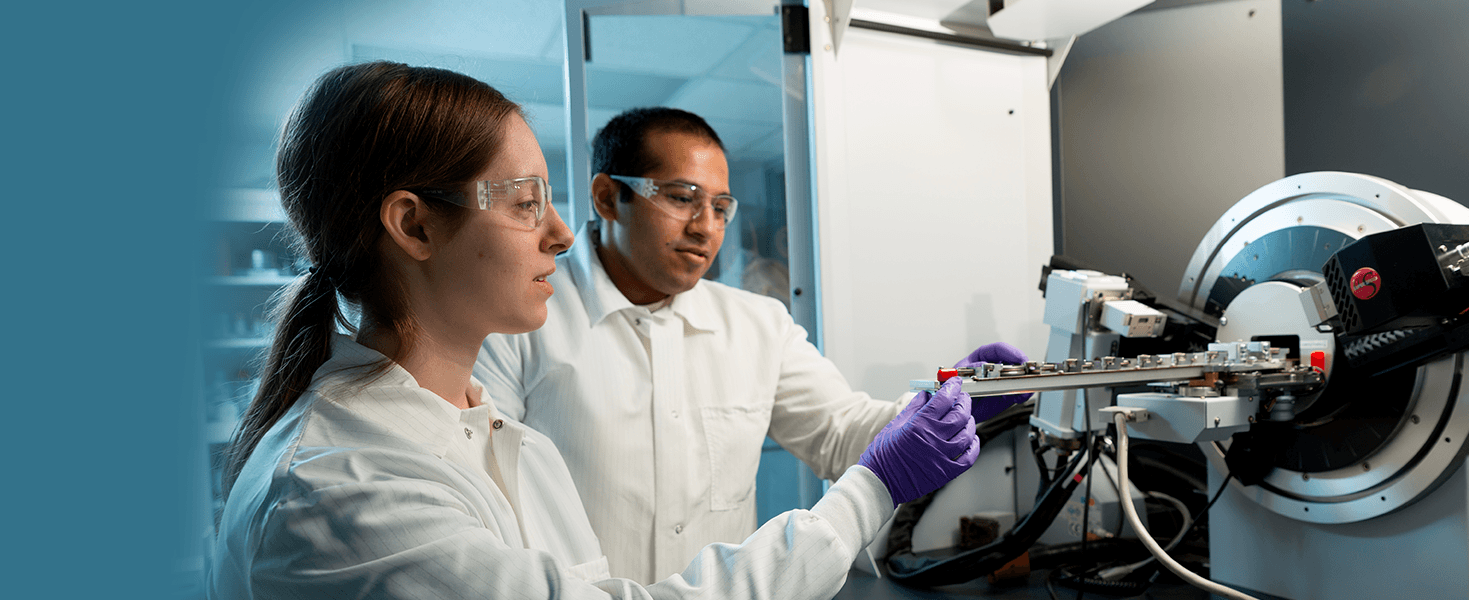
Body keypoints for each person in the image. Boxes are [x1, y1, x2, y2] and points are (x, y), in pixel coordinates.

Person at [207, 61, 986, 599]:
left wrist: (961, 398)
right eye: (522, 202)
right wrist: (871, 491)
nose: (558, 233)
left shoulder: (492, 429)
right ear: (413, 225)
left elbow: (849, 428)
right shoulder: (344, 493)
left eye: (720, 206)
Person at [474, 107, 1033, 581]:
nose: (705, 227)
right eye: (682, 197)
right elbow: (491, 504)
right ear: (606, 198)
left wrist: (943, 403)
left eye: (720, 207)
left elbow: (841, 434)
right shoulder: (519, 319)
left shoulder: (758, 325)